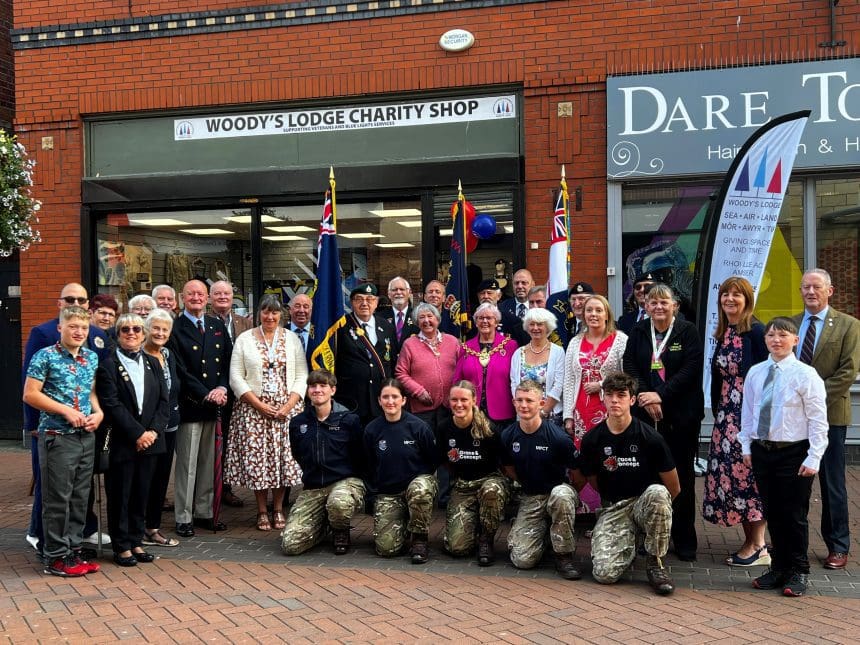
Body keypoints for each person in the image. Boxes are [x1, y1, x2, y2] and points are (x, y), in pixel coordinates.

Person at [740, 317, 829, 597]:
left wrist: (814, 456)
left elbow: (818, 420)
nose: (776, 340)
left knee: (794, 514)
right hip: (763, 450)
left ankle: (798, 570)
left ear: (795, 340)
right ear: (765, 339)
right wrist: (746, 446)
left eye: (783, 335)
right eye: (771, 335)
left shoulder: (806, 375)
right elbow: (748, 413)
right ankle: (778, 567)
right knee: (772, 512)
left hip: (794, 452)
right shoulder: (756, 372)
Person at [22, 283, 111, 558]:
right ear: (60, 327)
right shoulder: (45, 355)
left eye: (83, 328)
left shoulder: (89, 358)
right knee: (57, 498)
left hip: (85, 436)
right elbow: (30, 394)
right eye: (72, 327)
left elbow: (91, 391)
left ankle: (73, 548)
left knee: (79, 496)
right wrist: (65, 411)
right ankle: (55, 554)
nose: (78, 332)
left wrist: (99, 412)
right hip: (57, 436)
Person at [576, 372, 679, 595]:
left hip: (644, 502)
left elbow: (674, 487)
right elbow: (593, 481)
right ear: (603, 398)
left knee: (659, 494)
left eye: (621, 395)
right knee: (604, 574)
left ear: (632, 400)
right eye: (610, 395)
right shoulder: (592, 439)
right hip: (614, 506)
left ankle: (655, 561)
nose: (615, 400)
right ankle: (628, 540)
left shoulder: (650, 437)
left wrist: (654, 516)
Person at [623, 283, 703, 561]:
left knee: (681, 477)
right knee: (649, 477)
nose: (658, 307)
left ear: (675, 306)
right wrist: (647, 397)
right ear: (645, 306)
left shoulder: (687, 331)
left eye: (664, 302)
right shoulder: (638, 331)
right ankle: (654, 537)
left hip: (681, 417)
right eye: (653, 302)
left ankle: (684, 540)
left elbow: (691, 370)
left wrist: (660, 395)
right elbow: (630, 365)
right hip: (647, 417)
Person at [792, 269, 860, 571]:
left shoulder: (849, 326)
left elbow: (847, 373)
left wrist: (812, 401)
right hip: (793, 420)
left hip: (830, 416)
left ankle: (838, 545)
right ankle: (795, 545)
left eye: (816, 287)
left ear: (829, 291)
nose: (810, 292)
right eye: (805, 287)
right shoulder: (791, 325)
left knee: (832, 483)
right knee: (795, 484)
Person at [703, 277, 769, 566]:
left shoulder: (756, 332)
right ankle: (751, 542)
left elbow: (769, 378)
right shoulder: (725, 332)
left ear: (747, 299)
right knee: (733, 479)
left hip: (748, 415)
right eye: (725, 294)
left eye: (737, 295)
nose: (730, 299)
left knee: (750, 478)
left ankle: (759, 546)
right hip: (726, 417)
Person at [227, 295, 307, 531]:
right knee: (259, 462)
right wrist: (259, 405)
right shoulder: (244, 339)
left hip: (285, 411)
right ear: (258, 314)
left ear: (281, 314)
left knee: (282, 461)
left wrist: (288, 405)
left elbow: (302, 375)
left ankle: (278, 508)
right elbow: (236, 377)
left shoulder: (291, 339)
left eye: (274, 313)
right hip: (254, 412)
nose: (270, 317)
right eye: (265, 312)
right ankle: (262, 510)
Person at [96, 313, 169, 567]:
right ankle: (121, 545)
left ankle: (136, 541)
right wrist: (138, 434)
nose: (131, 333)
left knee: (142, 494)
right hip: (122, 442)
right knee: (120, 494)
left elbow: (163, 402)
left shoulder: (153, 362)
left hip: (151, 442)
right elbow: (112, 404)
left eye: (136, 329)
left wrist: (152, 433)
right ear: (117, 335)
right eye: (125, 329)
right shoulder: (107, 365)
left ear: (143, 333)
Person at [168, 279, 233, 537]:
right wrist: (206, 393)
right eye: (191, 293)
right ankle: (183, 516)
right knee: (188, 464)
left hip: (215, 406)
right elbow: (180, 370)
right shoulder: (175, 328)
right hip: (191, 405)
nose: (196, 297)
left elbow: (229, 361)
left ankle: (205, 511)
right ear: (183, 298)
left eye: (200, 294)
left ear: (207, 299)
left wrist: (222, 388)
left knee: (208, 463)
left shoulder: (217, 325)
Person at [500, 379, 581, 580]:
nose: (524, 405)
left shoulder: (558, 437)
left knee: (562, 495)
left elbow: (578, 473)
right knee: (522, 560)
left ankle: (563, 555)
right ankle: (544, 534)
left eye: (529, 400)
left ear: (541, 403)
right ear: (514, 402)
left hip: (557, 493)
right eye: (520, 400)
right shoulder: (508, 436)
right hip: (531, 496)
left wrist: (571, 495)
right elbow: (508, 467)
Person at [282, 370, 365, 555]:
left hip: (344, 483)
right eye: (313, 386)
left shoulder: (349, 420)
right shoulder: (298, 423)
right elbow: (298, 454)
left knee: (339, 503)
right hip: (313, 487)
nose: (317, 390)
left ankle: (340, 530)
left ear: (333, 390)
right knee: (291, 545)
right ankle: (322, 525)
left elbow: (359, 456)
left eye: (323, 386)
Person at [562, 295, 627, 512]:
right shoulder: (575, 342)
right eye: (589, 310)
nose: (594, 315)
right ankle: (590, 508)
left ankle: (610, 509)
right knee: (585, 459)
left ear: (607, 313)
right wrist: (568, 415)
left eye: (599, 310)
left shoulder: (620, 340)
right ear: (583, 314)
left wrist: (601, 384)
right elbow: (569, 379)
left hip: (609, 410)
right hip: (581, 411)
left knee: (608, 457)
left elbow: (627, 376)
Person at [363, 379, 438, 563]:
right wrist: (373, 496)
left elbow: (432, 462)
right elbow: (368, 466)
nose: (390, 401)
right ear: (379, 401)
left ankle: (419, 538)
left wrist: (419, 484)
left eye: (395, 397)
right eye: (385, 397)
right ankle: (402, 521)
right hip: (388, 494)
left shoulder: (419, 427)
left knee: (420, 489)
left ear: (403, 400)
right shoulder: (372, 430)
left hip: (415, 488)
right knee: (386, 549)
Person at [395, 302, 460, 507]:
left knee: (447, 451)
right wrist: (418, 391)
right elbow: (400, 373)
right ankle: (421, 494)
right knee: (422, 451)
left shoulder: (452, 341)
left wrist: (455, 394)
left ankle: (444, 496)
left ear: (438, 320)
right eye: (421, 318)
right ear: (416, 322)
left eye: (430, 317)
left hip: (448, 408)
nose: (426, 321)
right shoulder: (410, 344)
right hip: (421, 408)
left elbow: (462, 369)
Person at [442, 381, 510, 566]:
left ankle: (486, 539)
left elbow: (504, 466)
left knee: (491, 492)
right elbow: (445, 462)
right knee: (457, 548)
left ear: (474, 400)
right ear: (449, 401)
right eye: (454, 400)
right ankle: (471, 524)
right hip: (463, 486)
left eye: (464, 399)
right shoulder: (444, 428)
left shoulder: (489, 429)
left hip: (489, 482)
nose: (459, 404)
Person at [210, 280, 252, 508]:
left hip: (241, 392)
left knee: (231, 442)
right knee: (216, 442)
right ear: (210, 297)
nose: (223, 297)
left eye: (226, 293)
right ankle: (214, 490)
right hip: (216, 391)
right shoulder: (205, 321)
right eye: (217, 294)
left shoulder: (244, 323)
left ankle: (226, 487)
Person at [142, 309, 182, 548]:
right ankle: (136, 529)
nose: (159, 333)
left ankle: (152, 528)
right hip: (147, 430)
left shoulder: (167, 354)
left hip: (170, 425)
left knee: (160, 479)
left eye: (164, 329)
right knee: (144, 479)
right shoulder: (138, 355)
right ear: (147, 329)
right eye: (155, 328)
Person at [334, 283, 398, 424]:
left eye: (369, 299)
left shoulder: (387, 327)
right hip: (351, 400)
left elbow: (392, 361)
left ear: (376, 302)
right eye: (359, 299)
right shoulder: (341, 327)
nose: (365, 303)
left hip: (380, 401)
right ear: (351, 303)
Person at [453, 303, 518, 428]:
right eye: (480, 318)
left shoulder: (511, 346)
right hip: (472, 410)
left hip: (502, 411)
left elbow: (515, 379)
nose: (484, 321)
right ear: (476, 322)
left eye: (489, 318)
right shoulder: (465, 347)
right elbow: (457, 380)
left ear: (496, 321)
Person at [509, 307, 565, 422]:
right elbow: (514, 384)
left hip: (550, 415)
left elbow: (559, 385)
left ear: (548, 327)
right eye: (532, 324)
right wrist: (523, 409)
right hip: (525, 415)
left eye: (540, 324)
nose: (535, 328)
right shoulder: (518, 353)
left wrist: (543, 412)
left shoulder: (558, 352)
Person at [473, 278, 528, 345]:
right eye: (482, 293)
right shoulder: (472, 319)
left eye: (489, 293)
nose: (486, 296)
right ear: (478, 296)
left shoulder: (512, 320)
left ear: (499, 296)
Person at [378, 276, 418, 349]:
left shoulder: (417, 316)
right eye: (394, 290)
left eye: (402, 289)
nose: (398, 292)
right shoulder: (379, 317)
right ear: (389, 294)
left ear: (409, 293)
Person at [288, 293, 313, 360]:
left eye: (305, 307)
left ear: (311, 311)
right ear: (290, 310)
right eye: (297, 306)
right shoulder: (280, 332)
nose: (301, 310)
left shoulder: (320, 334)